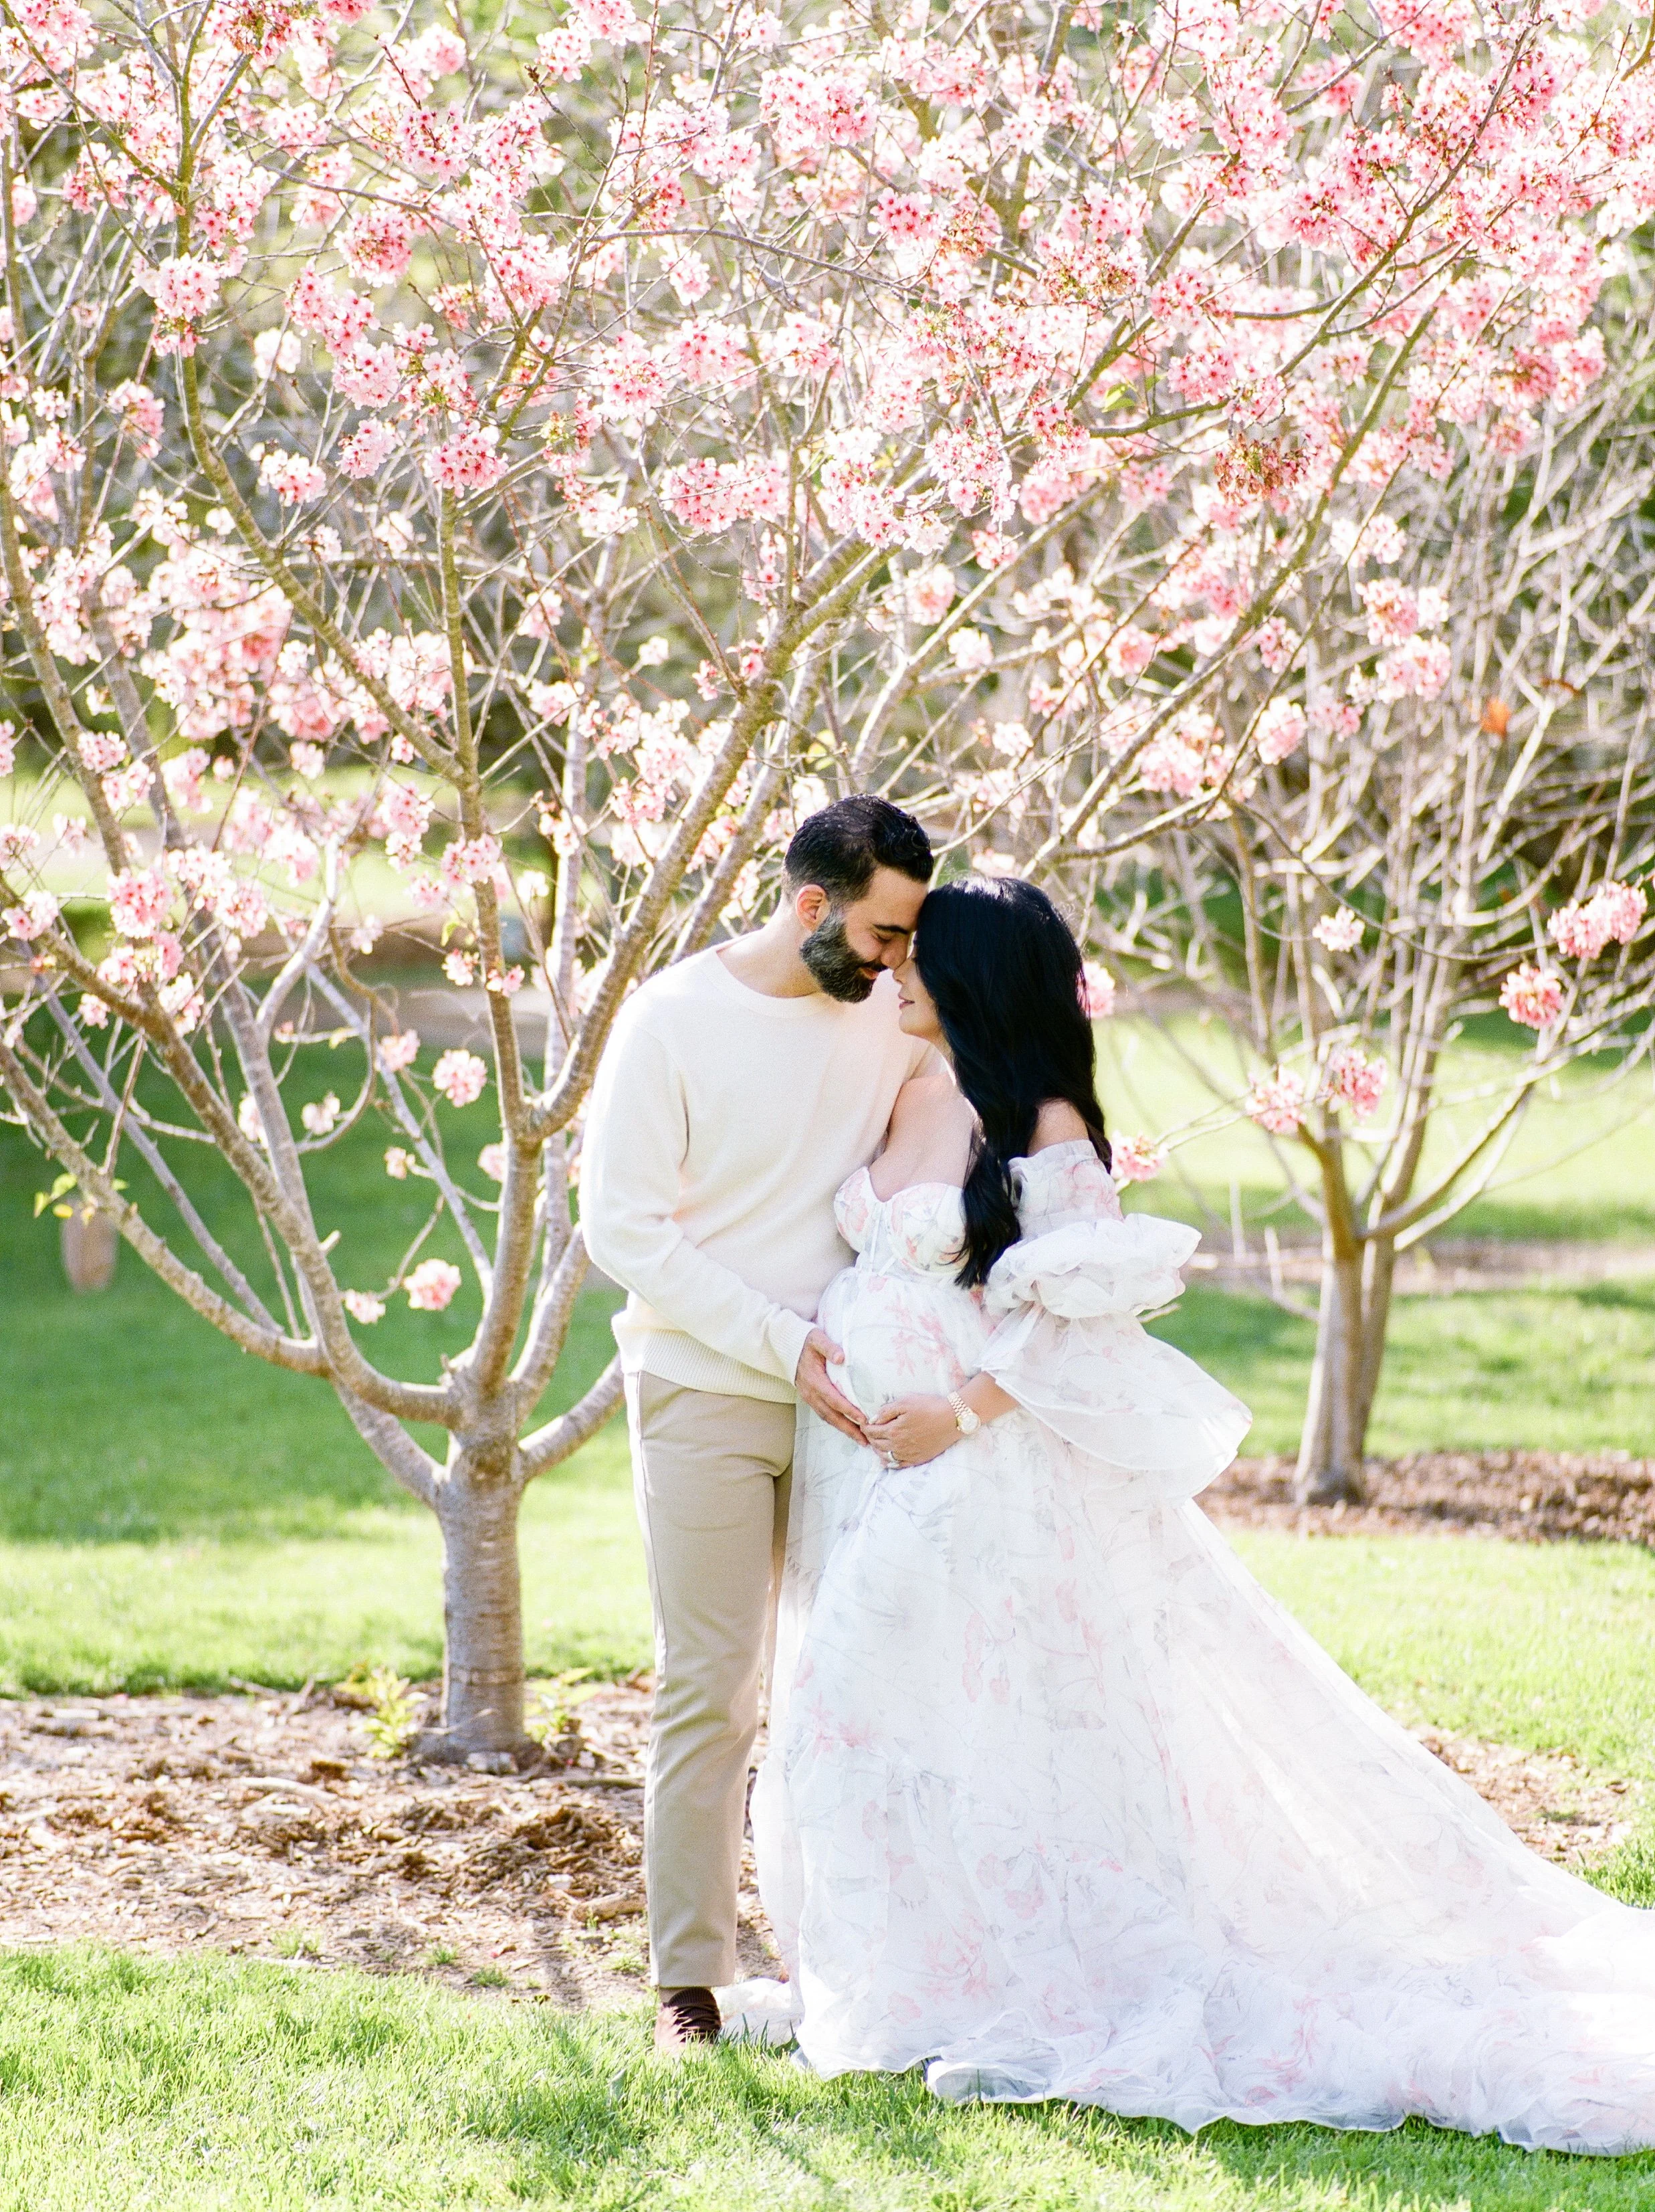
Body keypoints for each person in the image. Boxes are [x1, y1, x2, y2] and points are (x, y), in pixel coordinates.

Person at [738, 874, 1655, 2155]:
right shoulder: (899, 1078)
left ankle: (1009, 1981)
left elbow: (1082, 1327)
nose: (893, 974)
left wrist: (960, 1413)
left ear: (973, 981)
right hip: (870, 1467)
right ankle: (905, 1978)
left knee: (905, 1712)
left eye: (917, 961)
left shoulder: (1041, 1122)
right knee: (886, 1719)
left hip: (980, 1475)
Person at [579, 794, 937, 2055]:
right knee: (713, 1683)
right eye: (884, 934)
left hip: (857, 1392)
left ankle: (864, 1959)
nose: (898, 962)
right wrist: (781, 1341)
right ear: (808, 904)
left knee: (851, 1684)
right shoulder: (672, 1022)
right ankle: (689, 1979)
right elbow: (621, 1231)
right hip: (705, 1381)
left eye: (909, 940)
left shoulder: (886, 1018)